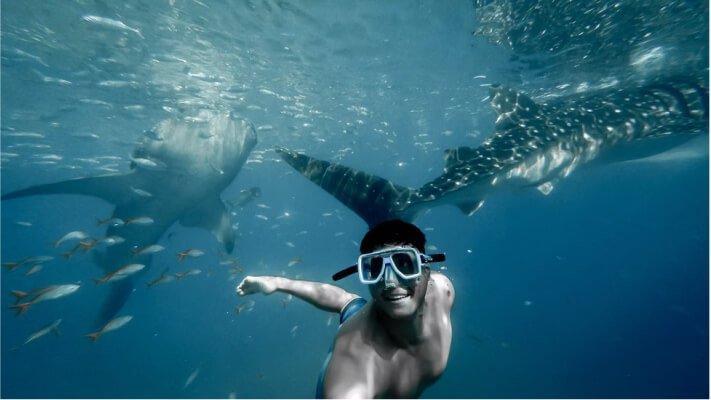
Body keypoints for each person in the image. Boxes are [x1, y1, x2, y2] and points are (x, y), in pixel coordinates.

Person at [237, 220, 455, 398]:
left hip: (369, 313)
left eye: (405, 264)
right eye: (375, 268)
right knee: (353, 310)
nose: (390, 282)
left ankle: (277, 282)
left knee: (349, 303)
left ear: (426, 271)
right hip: (360, 335)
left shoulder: (443, 290)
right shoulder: (354, 368)